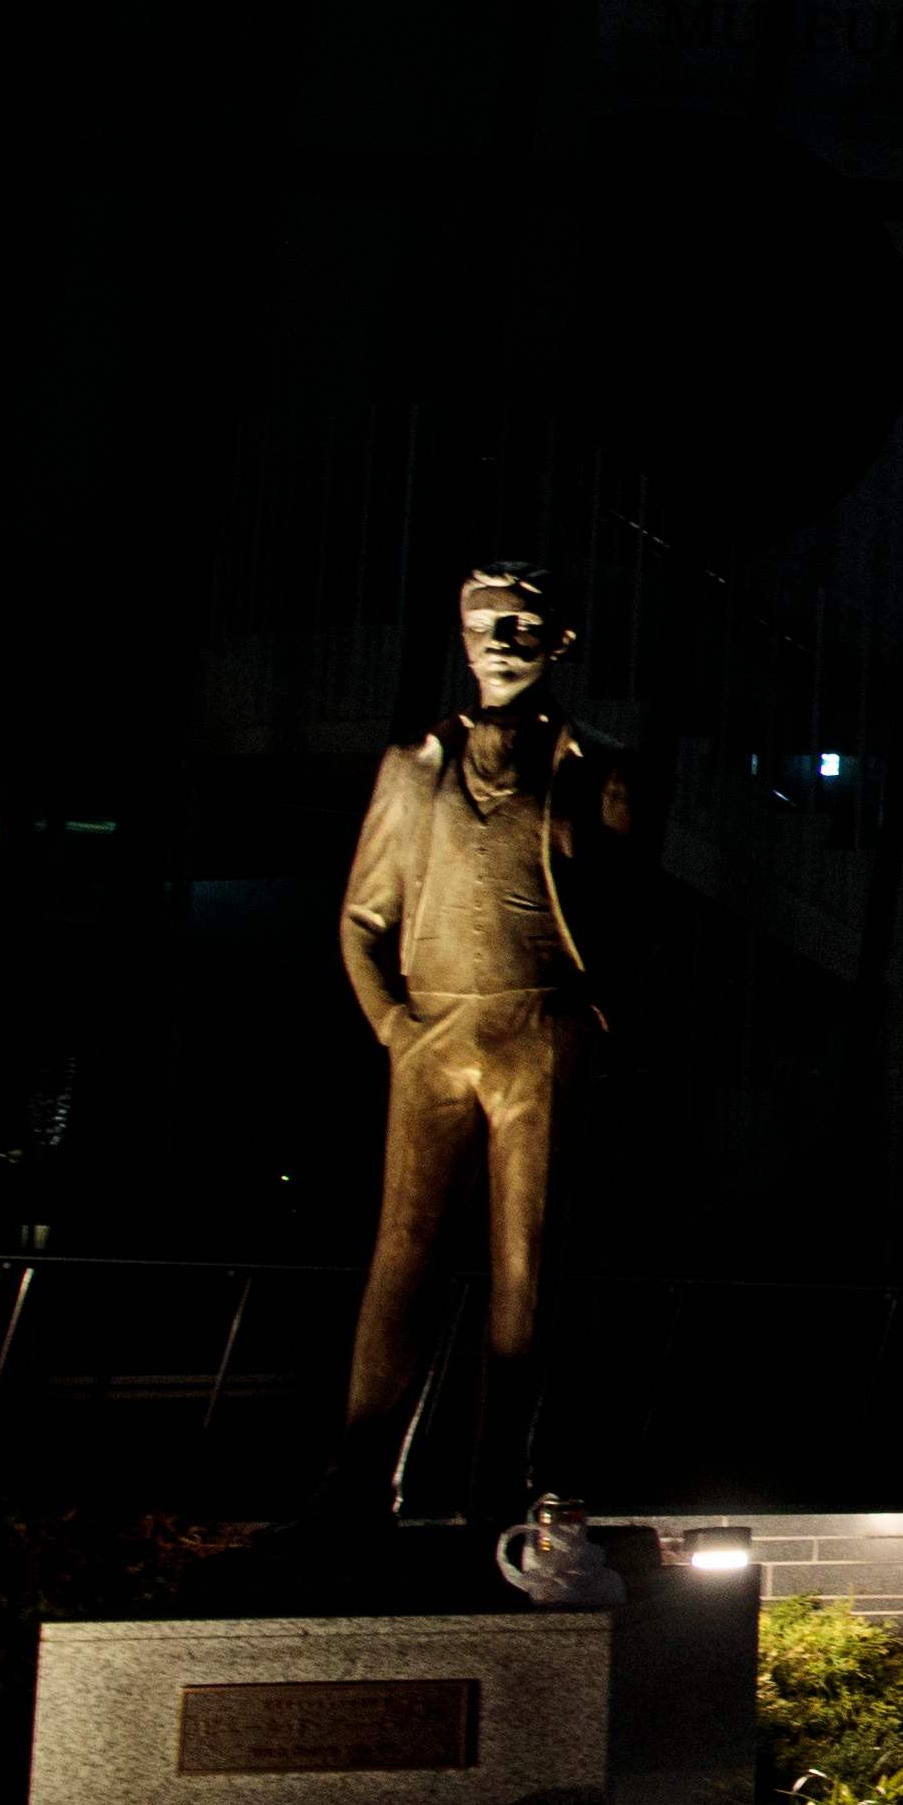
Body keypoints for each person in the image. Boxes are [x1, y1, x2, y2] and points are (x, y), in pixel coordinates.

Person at [333, 560, 634, 1517]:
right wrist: (392, 1023)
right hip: (435, 1028)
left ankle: (502, 1474)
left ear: (561, 642)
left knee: (528, 1264)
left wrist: (594, 1016)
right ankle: (358, 1468)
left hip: (539, 1028)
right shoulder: (409, 768)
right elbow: (360, 916)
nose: (502, 638)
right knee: (403, 1252)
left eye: (522, 622)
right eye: (485, 620)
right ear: (460, 637)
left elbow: (634, 918)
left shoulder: (598, 767)